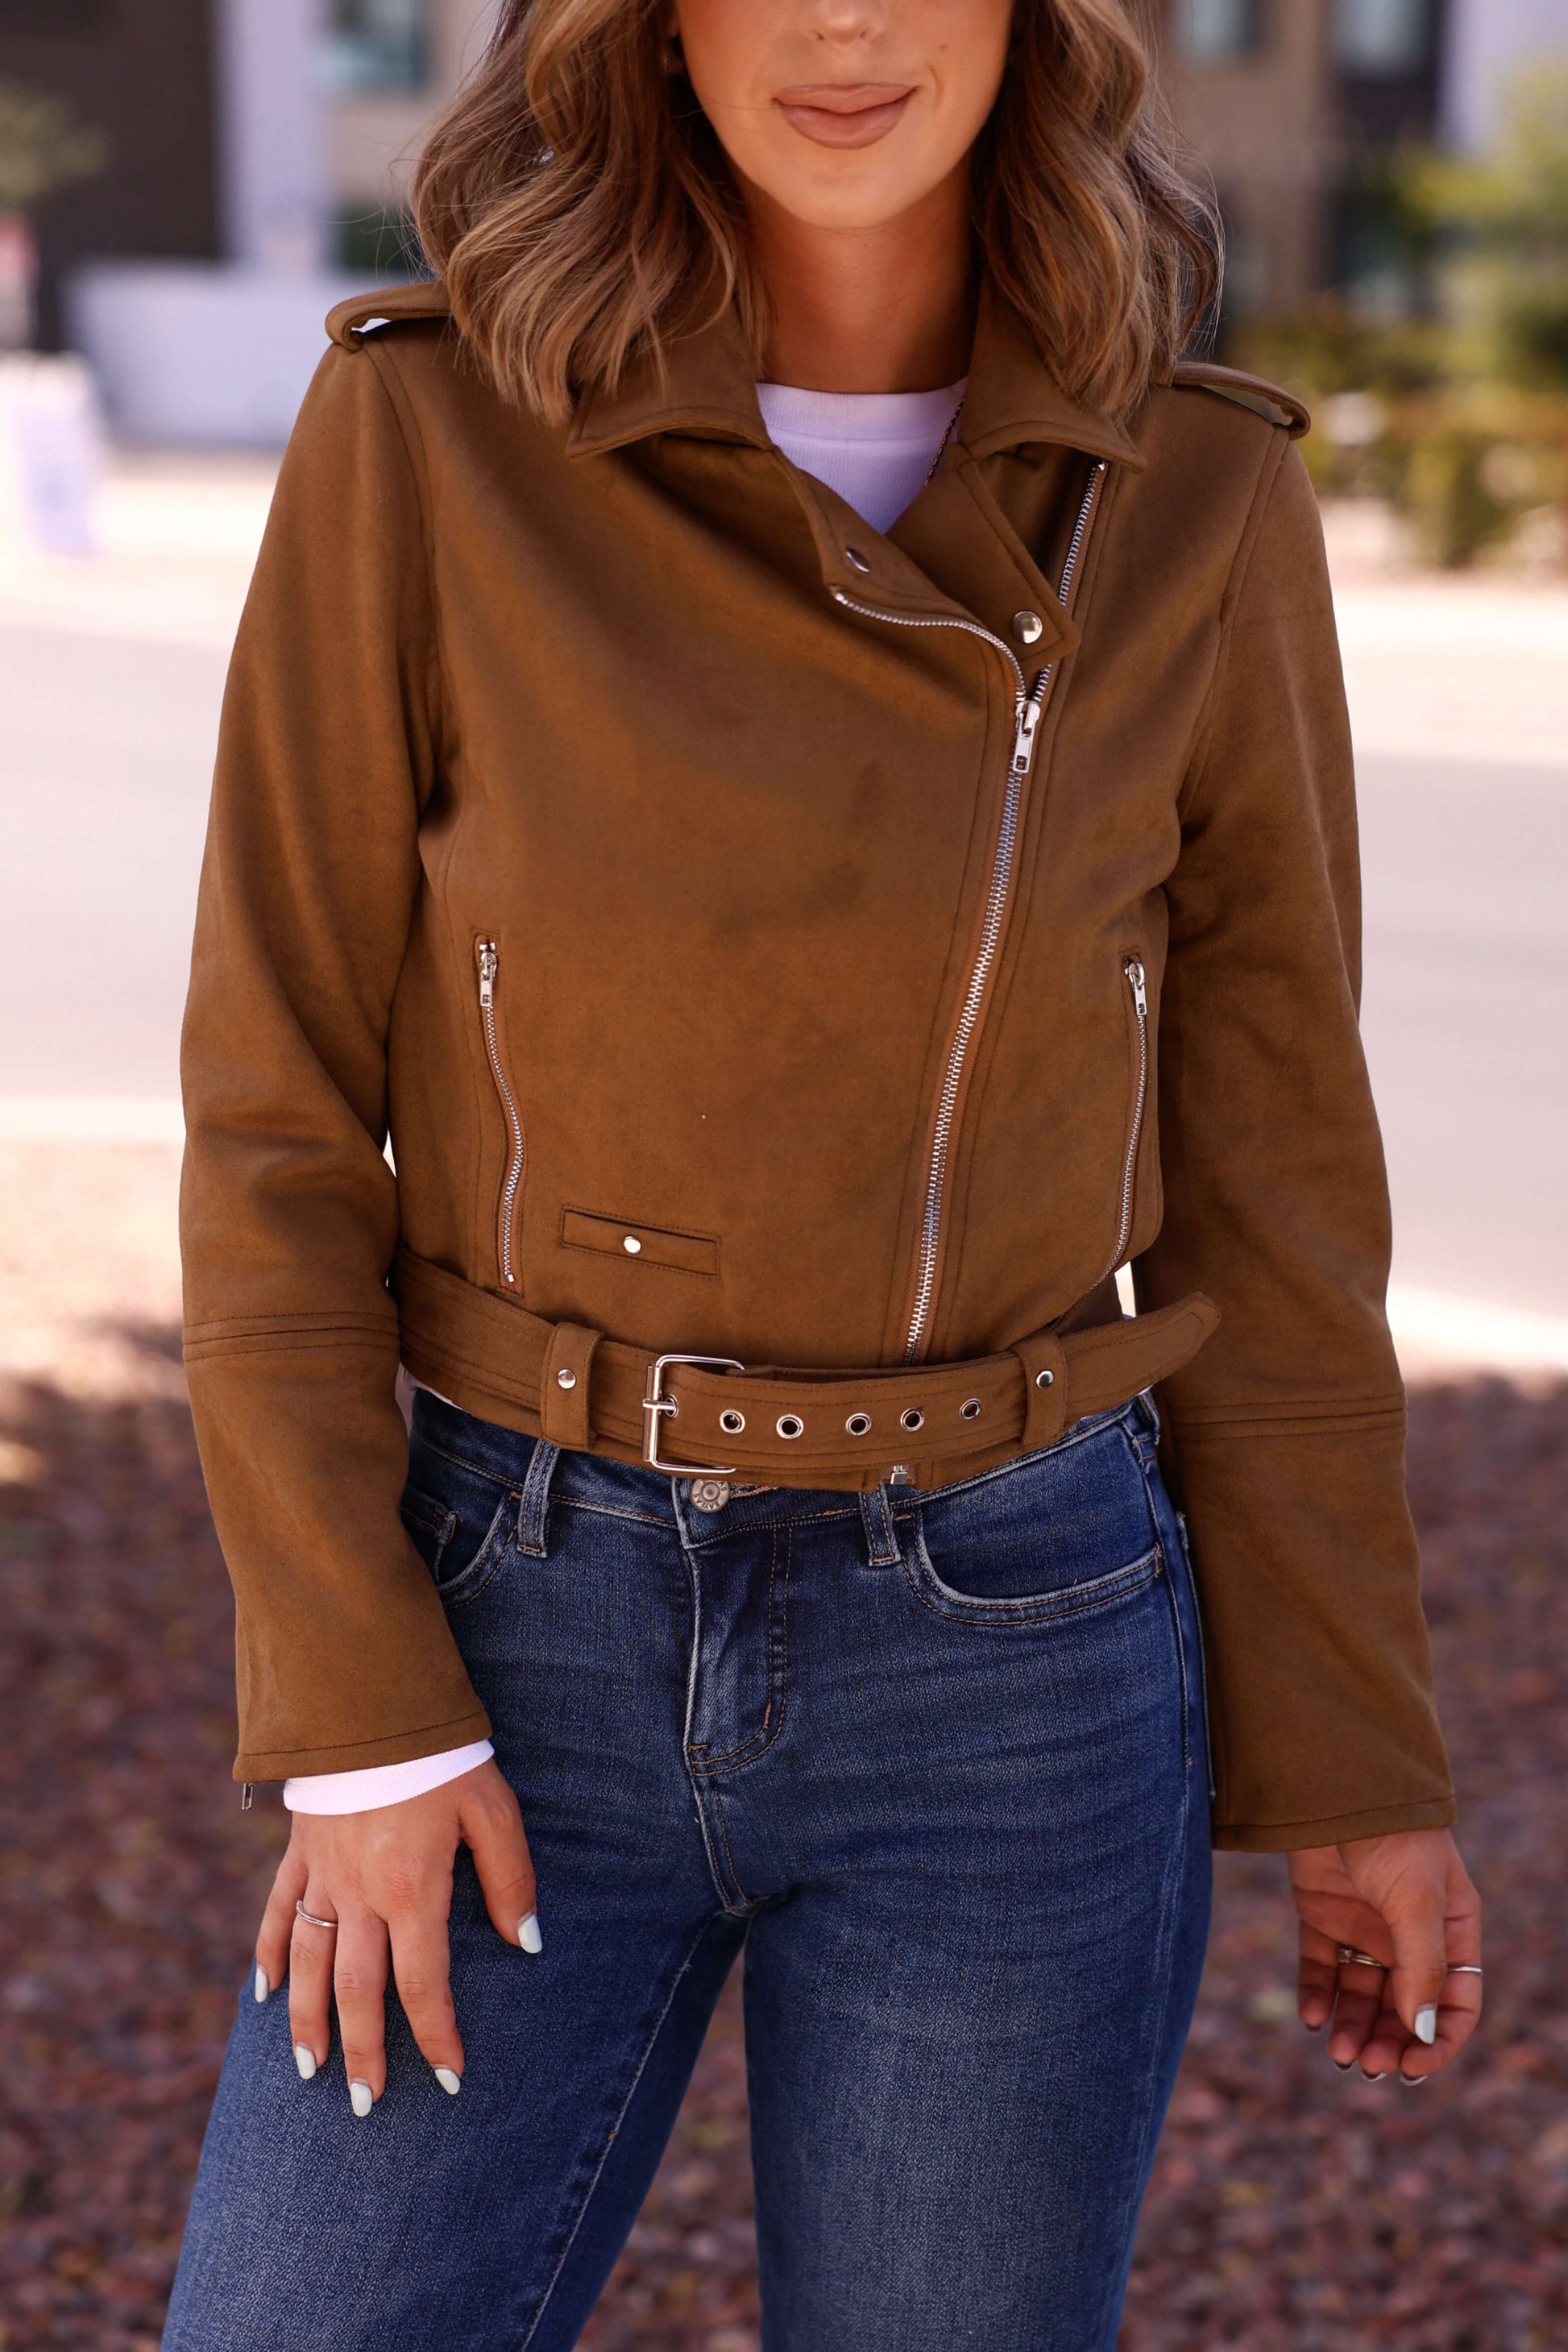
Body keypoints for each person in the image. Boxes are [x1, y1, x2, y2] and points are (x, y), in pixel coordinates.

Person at [162, 2, 1483, 2346]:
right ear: (653, 22)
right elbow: (273, 1109)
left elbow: (1274, 1177)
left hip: (1017, 1657)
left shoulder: (1197, 493)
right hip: (513, 1610)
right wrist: (358, 1713)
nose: (846, 24)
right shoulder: (432, 432)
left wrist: (1353, 1754)